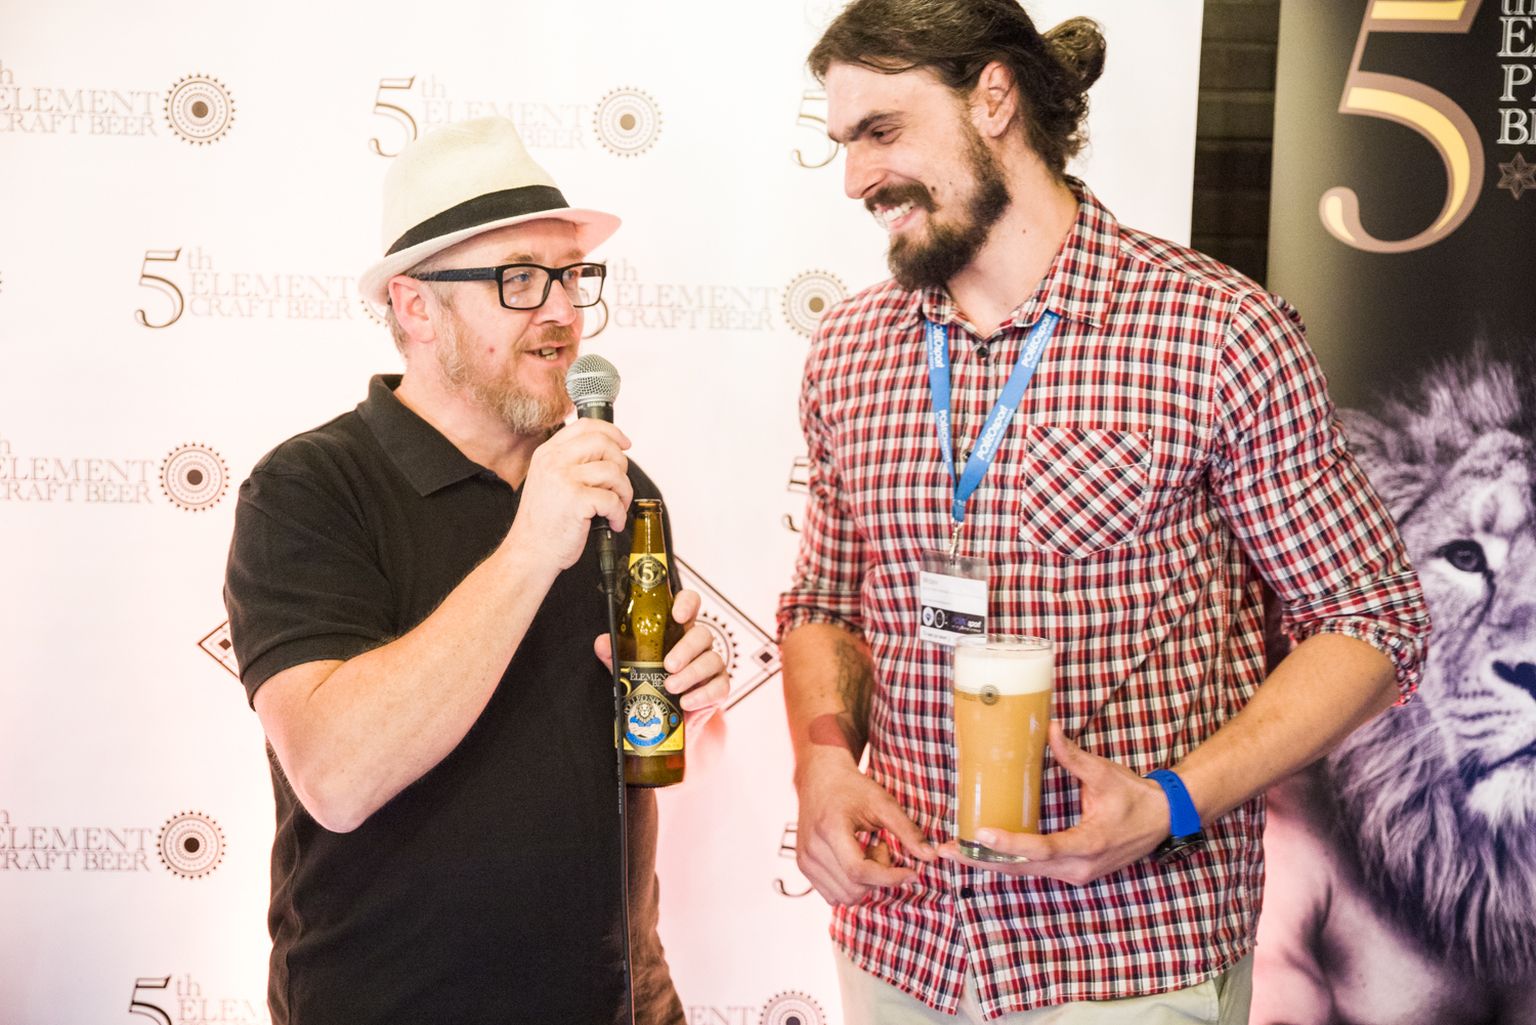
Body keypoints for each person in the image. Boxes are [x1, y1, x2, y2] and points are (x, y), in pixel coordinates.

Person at [776, 2, 1431, 1022]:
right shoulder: (851, 349)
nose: (857, 178)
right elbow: (824, 601)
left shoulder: (1216, 330)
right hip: (901, 943)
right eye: (843, 143)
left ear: (994, 99)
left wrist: (1171, 801)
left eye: (882, 131)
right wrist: (822, 757)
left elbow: (1372, 622)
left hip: (1126, 958)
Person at [223, 116, 727, 1025]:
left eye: (571, 276)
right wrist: (530, 548)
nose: (562, 311)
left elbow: (625, 752)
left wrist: (687, 681)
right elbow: (337, 773)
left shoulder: (614, 482)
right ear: (416, 307)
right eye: (519, 279)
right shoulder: (309, 488)